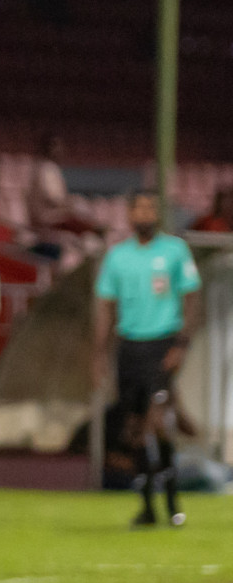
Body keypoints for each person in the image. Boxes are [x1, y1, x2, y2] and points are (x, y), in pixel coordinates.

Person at [92, 190, 203, 528]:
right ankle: (147, 507)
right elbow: (106, 306)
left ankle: (172, 500)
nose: (145, 213)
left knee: (159, 421)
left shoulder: (174, 250)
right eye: (139, 208)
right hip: (129, 347)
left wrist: (182, 344)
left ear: (158, 214)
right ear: (129, 214)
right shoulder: (117, 257)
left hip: (162, 344)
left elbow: (192, 297)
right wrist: (99, 353)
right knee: (135, 428)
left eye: (151, 208)